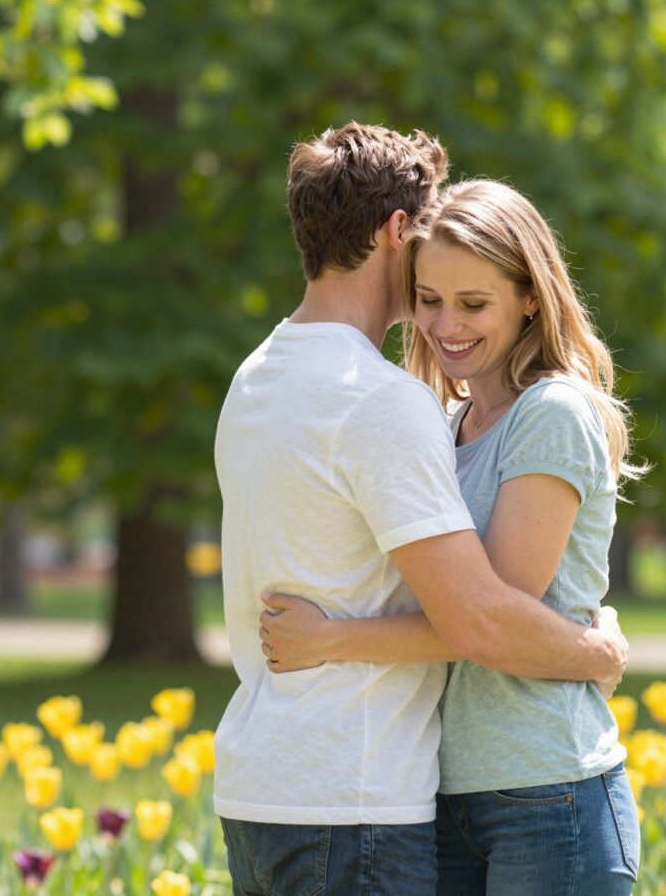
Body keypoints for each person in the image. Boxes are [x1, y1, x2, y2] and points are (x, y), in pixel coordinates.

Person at [213, 125, 628, 896]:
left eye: (472, 300)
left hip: (290, 784)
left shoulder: (255, 378)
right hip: (359, 793)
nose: (444, 316)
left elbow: (490, 610)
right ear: (399, 231)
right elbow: (482, 619)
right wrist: (596, 654)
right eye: (435, 292)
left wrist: (334, 639)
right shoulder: (392, 403)